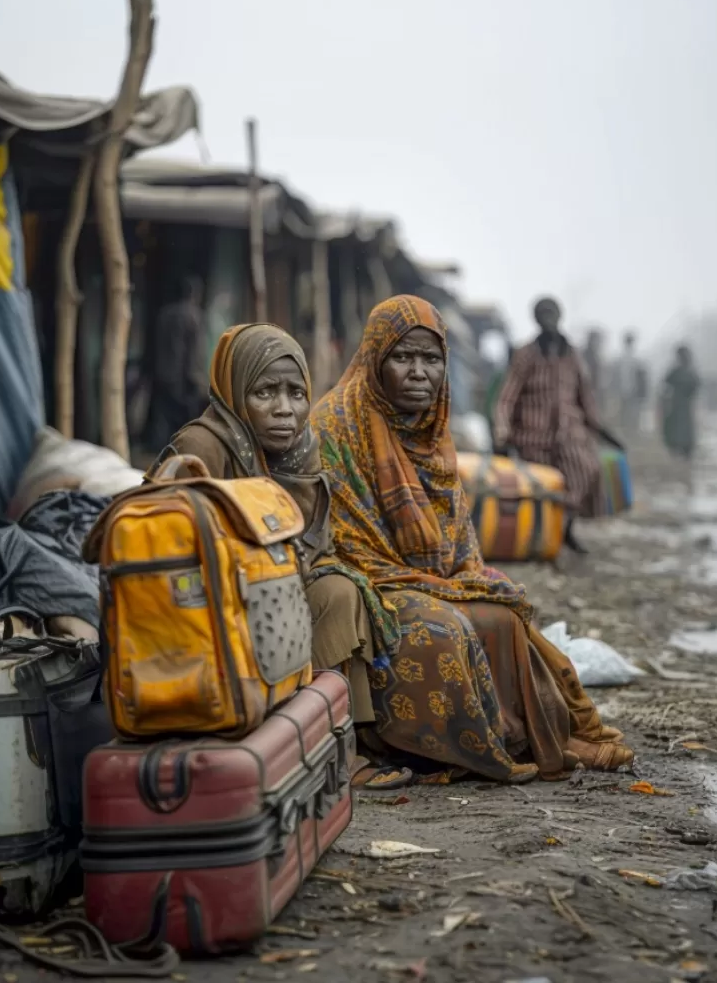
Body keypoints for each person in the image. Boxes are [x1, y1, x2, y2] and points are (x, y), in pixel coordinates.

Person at [311, 295, 632, 785]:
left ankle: (521, 735)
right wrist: (424, 585)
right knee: (444, 629)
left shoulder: (433, 431)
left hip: (429, 579)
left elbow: (458, 543)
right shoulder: (333, 425)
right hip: (369, 583)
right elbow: (338, 539)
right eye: (403, 357)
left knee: (504, 617)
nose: (419, 372)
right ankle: (442, 749)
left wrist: (467, 581)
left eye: (431, 359)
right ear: (376, 359)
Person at [159, 323, 379, 739]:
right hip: (211, 604)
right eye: (265, 393)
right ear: (234, 390)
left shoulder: (301, 451)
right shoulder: (203, 447)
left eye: (296, 394)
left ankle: (335, 738)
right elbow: (170, 552)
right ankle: (282, 733)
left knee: (339, 590)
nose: (285, 409)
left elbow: (315, 546)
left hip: (276, 585)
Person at [492, 296, 619, 553]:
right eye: (543, 314)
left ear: (560, 317)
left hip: (569, 434)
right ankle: (541, 537)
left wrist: (601, 429)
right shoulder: (526, 354)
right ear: (536, 319)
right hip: (532, 436)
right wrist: (502, 432)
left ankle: (566, 529)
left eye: (552, 314)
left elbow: (585, 396)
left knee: (587, 470)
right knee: (540, 488)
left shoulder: (571, 354)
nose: (548, 319)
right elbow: (508, 396)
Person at [144, 276, 209, 453]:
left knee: (163, 419)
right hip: (183, 377)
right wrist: (196, 378)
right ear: (193, 294)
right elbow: (195, 353)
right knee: (184, 419)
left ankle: (162, 452)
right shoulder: (193, 316)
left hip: (162, 374)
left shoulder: (164, 314)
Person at [661, 345, 700, 459]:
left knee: (683, 428)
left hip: (683, 404)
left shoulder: (686, 371)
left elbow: (696, 387)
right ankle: (680, 449)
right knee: (678, 427)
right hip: (677, 404)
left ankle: (684, 449)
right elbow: (666, 385)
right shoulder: (679, 371)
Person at [614, 332, 645, 435]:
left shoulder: (636, 359)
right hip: (624, 389)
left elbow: (640, 377)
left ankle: (632, 430)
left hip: (633, 390)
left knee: (633, 411)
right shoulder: (621, 359)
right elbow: (617, 376)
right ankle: (626, 430)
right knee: (625, 411)